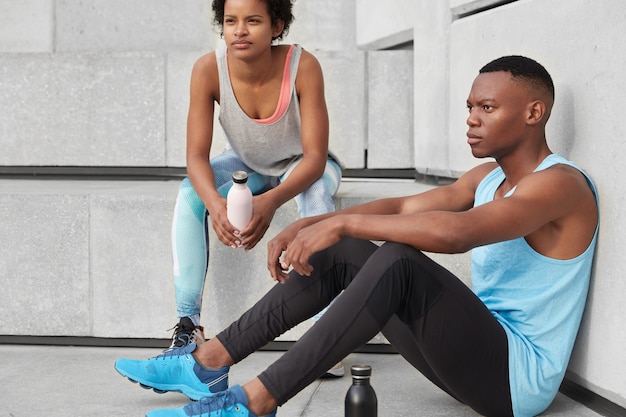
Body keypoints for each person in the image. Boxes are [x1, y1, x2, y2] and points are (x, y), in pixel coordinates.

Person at [115, 55, 599, 417]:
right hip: (470, 355)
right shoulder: (488, 179)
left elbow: (456, 233)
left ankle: (252, 403)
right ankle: (207, 362)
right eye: (470, 106)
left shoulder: (561, 185)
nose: (471, 118)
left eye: (488, 107)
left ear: (534, 113)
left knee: (398, 261)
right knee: (346, 251)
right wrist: (316, 224)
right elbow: (407, 206)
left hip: (516, 381)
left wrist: (341, 220)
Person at [168, 0, 344, 375]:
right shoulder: (207, 70)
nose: (240, 30)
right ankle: (187, 327)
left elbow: (314, 158)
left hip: (305, 166)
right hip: (247, 164)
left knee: (314, 196)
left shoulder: (303, 65)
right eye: (230, 21)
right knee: (189, 194)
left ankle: (327, 333)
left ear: (277, 25)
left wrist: (271, 203)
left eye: (253, 21)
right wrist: (215, 203)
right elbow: (196, 158)